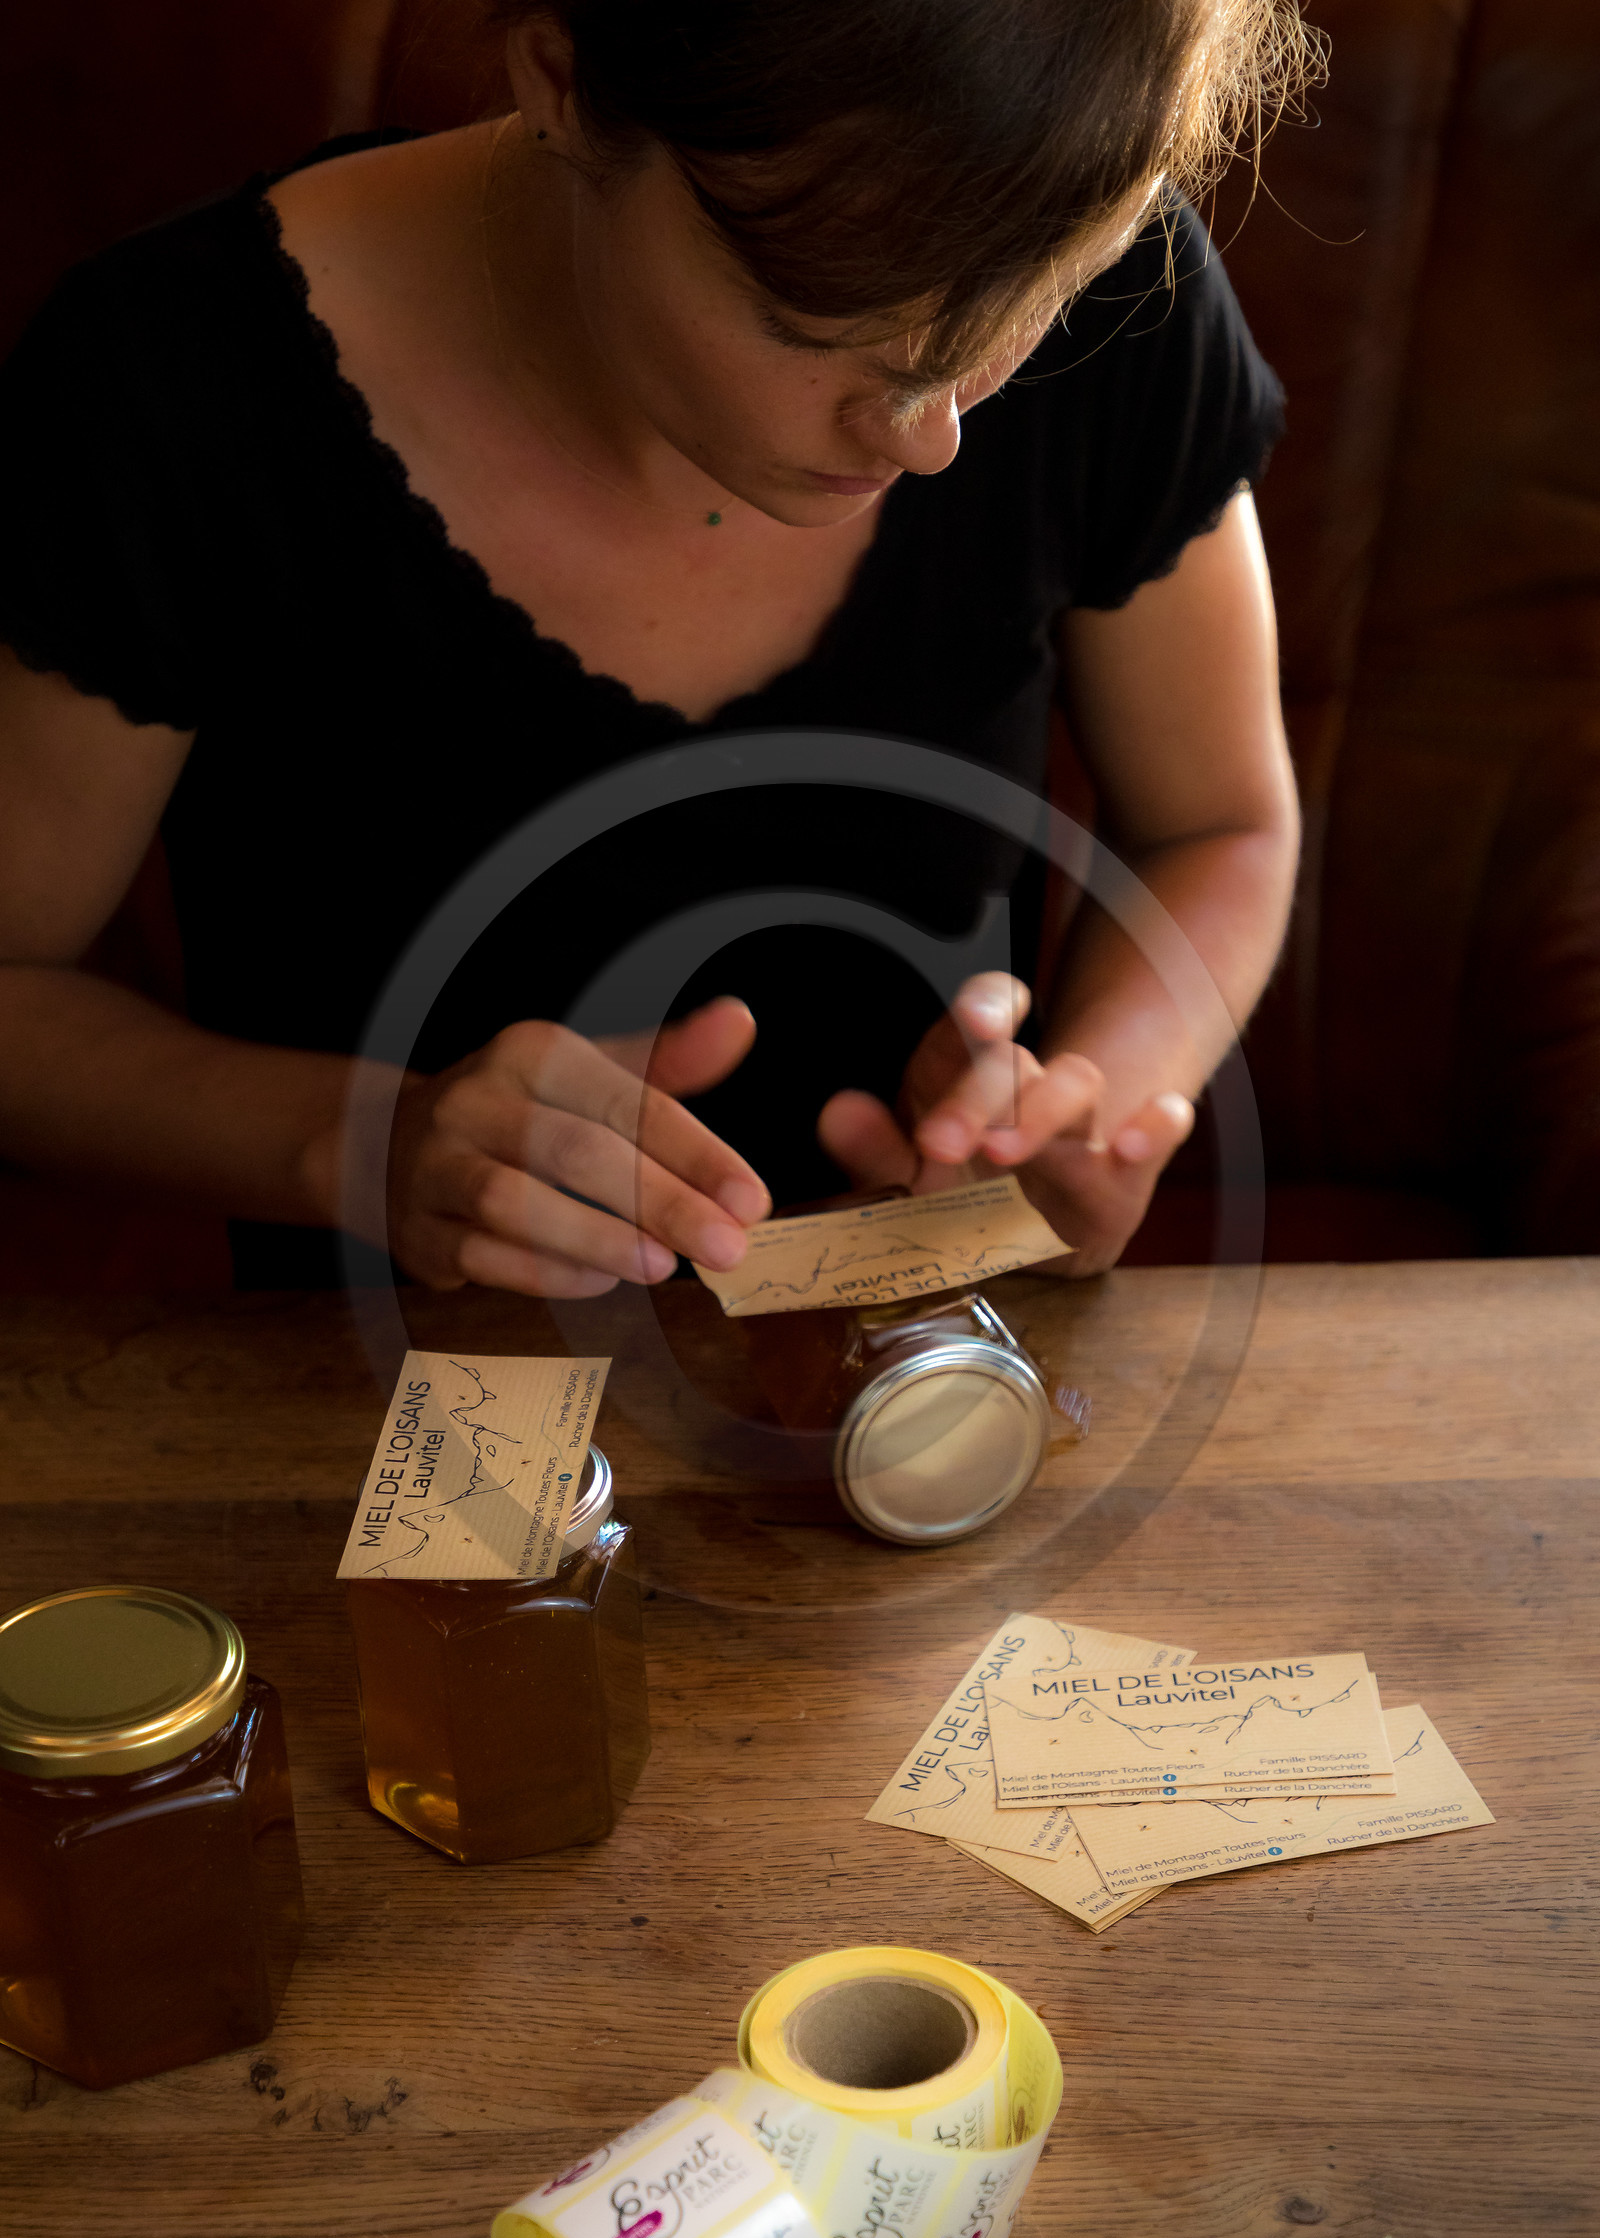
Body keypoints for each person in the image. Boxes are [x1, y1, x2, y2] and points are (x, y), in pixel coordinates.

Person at [0, 0, 1307, 1297]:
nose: (930, 438)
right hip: (392, 1413)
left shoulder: (1108, 270)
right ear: (561, 82)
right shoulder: (168, 390)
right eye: (816, 323)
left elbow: (1220, 827)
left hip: (913, 1387)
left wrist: (1090, 1103)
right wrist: (360, 1144)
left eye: (1024, 307)